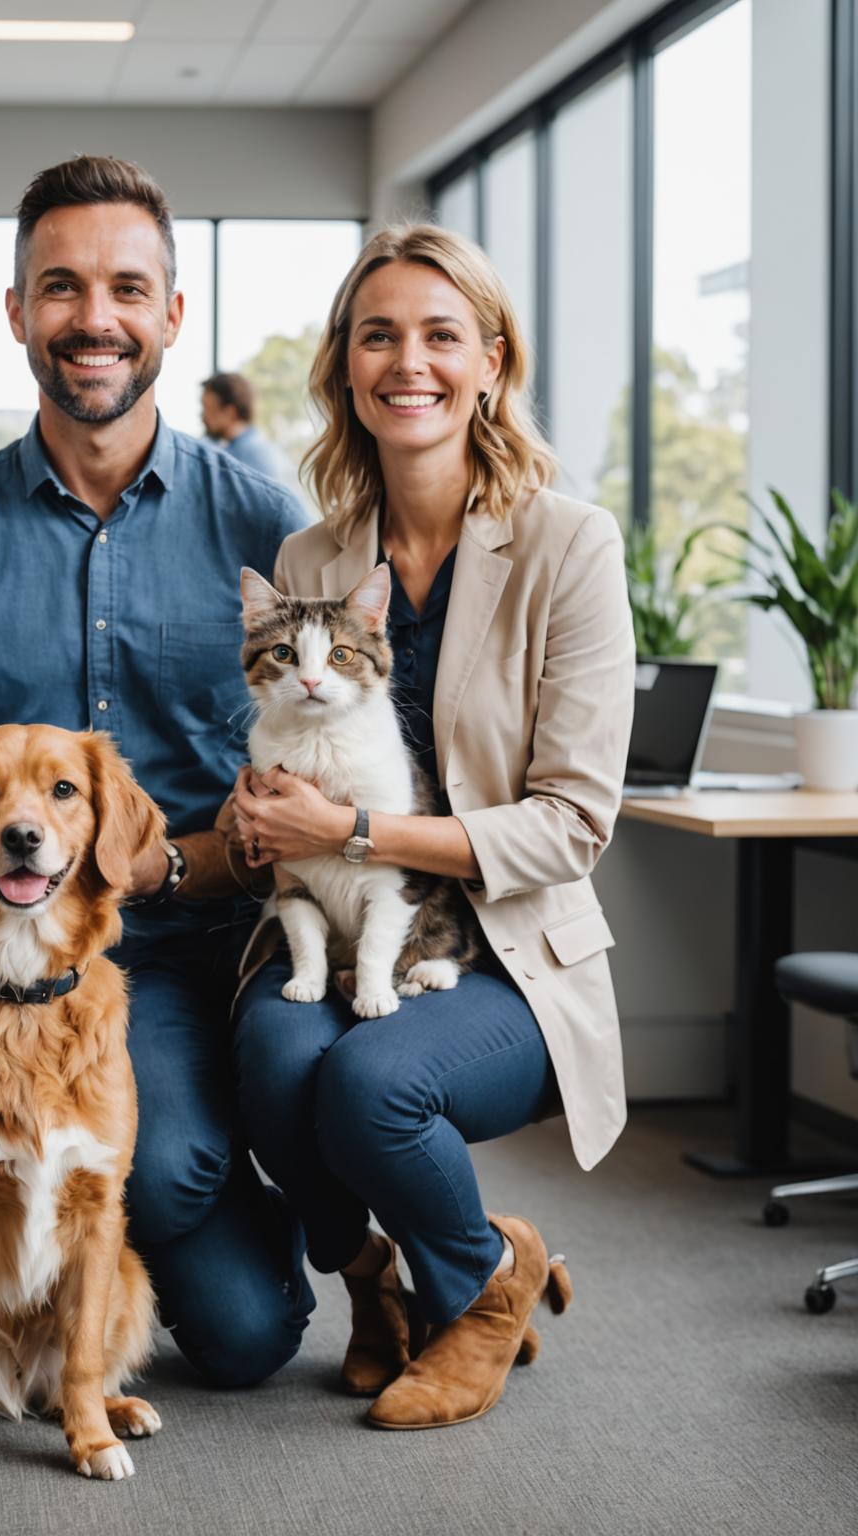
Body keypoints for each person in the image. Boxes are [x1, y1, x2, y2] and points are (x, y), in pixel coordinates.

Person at [0, 156, 313, 1389]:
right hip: (9, 958)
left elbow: (304, 764)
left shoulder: (261, 524)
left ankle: (221, 1174)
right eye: (61, 287)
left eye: (128, 287)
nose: (95, 317)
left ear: (172, 315)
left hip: (203, 942)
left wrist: (182, 861)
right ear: (17, 312)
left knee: (238, 1334)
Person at [229, 224, 634, 1429]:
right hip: (339, 916)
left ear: (492, 361)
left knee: (367, 1086)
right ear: (347, 368)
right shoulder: (314, 552)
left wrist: (356, 831)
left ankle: (482, 1291)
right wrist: (259, 819)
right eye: (378, 336)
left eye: (441, 335)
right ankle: (377, 1284)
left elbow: (570, 826)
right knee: (269, 1056)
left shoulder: (570, 544)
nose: (410, 362)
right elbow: (288, 750)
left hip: (504, 949)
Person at [200, 370, 294, 484]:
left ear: (230, 412)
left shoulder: (247, 456)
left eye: (208, 408)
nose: (203, 416)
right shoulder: (255, 445)